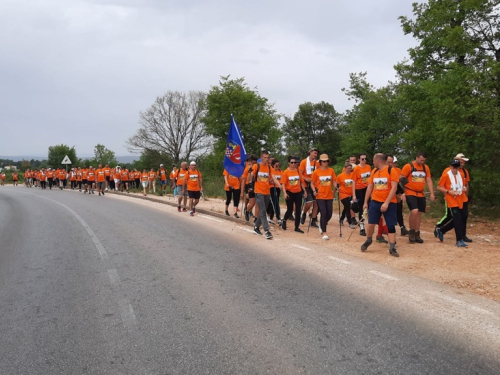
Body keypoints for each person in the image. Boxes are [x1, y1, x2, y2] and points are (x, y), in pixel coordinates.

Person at [360, 153, 400, 257]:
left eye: (373, 160)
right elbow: (370, 187)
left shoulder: (391, 171)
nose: (372, 162)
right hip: (375, 202)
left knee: (390, 225)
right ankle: (369, 240)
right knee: (370, 223)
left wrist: (386, 203)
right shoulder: (374, 171)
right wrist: (365, 202)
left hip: (390, 203)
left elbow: (394, 188)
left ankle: (392, 247)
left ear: (378, 161)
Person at [435, 153, 472, 243]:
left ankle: (444, 231)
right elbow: (441, 186)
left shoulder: (463, 172)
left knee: (462, 217)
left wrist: (465, 191)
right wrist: (447, 193)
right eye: (461, 161)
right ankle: (459, 239)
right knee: (454, 217)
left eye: (463, 162)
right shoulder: (447, 173)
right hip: (451, 198)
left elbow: (465, 184)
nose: (463, 163)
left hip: (461, 198)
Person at [400, 151, 435, 243]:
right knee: (414, 211)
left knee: (419, 212)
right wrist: (402, 193)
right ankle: (411, 232)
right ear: (416, 157)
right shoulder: (408, 166)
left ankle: (417, 232)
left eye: (424, 161)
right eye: (421, 160)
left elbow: (429, 180)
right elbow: (401, 179)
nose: (422, 162)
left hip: (421, 193)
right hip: (410, 191)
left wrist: (432, 193)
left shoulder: (425, 168)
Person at [251, 151, 280, 239]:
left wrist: (279, 185)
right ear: (261, 157)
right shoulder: (256, 166)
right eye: (265, 157)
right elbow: (250, 178)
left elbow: (274, 178)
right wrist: (249, 172)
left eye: (268, 158)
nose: (266, 159)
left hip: (267, 192)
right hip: (258, 191)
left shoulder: (269, 167)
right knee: (263, 210)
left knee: (263, 211)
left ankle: (256, 227)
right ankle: (267, 231)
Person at [311, 154, 337, 240]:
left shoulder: (331, 170)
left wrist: (336, 186)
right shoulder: (316, 172)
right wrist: (314, 190)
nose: (326, 163)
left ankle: (322, 224)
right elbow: (312, 183)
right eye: (324, 161)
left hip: (329, 195)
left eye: (327, 161)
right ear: (321, 162)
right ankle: (324, 232)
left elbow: (334, 181)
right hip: (320, 195)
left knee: (329, 213)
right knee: (323, 212)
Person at [281, 156, 307, 232]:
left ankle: (296, 227)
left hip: (298, 192)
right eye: (292, 162)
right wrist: (285, 193)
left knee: (298, 210)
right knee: (290, 209)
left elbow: (301, 182)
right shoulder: (286, 172)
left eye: (295, 162)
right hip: (290, 192)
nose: (293, 164)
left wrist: (304, 191)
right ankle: (284, 220)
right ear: (289, 163)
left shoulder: (298, 171)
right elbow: (283, 184)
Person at [387, 155, 409, 236]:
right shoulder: (385, 170)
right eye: (391, 162)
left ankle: (402, 227)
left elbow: (400, 183)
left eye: (394, 162)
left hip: (396, 193)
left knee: (398, 211)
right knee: (387, 213)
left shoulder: (397, 170)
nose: (393, 164)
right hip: (387, 194)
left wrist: (402, 193)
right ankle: (384, 229)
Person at [299, 148, 320, 228]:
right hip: (306, 184)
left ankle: (313, 220)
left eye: (316, 153)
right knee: (309, 201)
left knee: (316, 203)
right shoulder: (304, 162)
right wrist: (305, 178)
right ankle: (304, 213)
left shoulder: (317, 163)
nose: (315, 155)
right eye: (314, 153)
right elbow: (300, 174)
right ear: (310, 153)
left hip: (314, 184)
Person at [352, 153, 371, 236]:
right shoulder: (356, 168)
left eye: (365, 159)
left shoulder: (368, 167)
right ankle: (362, 226)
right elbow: (354, 181)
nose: (364, 160)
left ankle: (370, 224)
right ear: (359, 160)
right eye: (362, 159)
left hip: (368, 188)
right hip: (359, 189)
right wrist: (354, 195)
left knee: (369, 206)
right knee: (362, 207)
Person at [337, 162, 356, 229]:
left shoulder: (353, 175)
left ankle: (341, 218)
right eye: (348, 168)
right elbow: (337, 184)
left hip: (351, 194)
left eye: (350, 168)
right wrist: (337, 189)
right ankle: (350, 222)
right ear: (345, 168)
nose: (349, 170)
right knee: (348, 207)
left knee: (347, 207)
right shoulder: (340, 176)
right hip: (343, 194)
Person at [240, 154, 258, 221]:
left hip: (257, 186)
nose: (254, 164)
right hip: (249, 186)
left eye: (256, 163)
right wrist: (242, 192)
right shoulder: (247, 169)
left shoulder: (258, 168)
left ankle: (256, 217)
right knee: (252, 203)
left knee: (257, 203)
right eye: (253, 163)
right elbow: (244, 181)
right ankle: (247, 211)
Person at [267, 159, 282, 224]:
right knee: (273, 202)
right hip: (271, 188)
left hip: (278, 188)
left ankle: (271, 217)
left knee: (276, 202)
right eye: (276, 165)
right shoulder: (271, 171)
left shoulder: (280, 171)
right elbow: (268, 181)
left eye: (278, 165)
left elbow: (282, 180)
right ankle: (278, 217)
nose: (277, 166)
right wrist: (271, 179)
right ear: (273, 165)